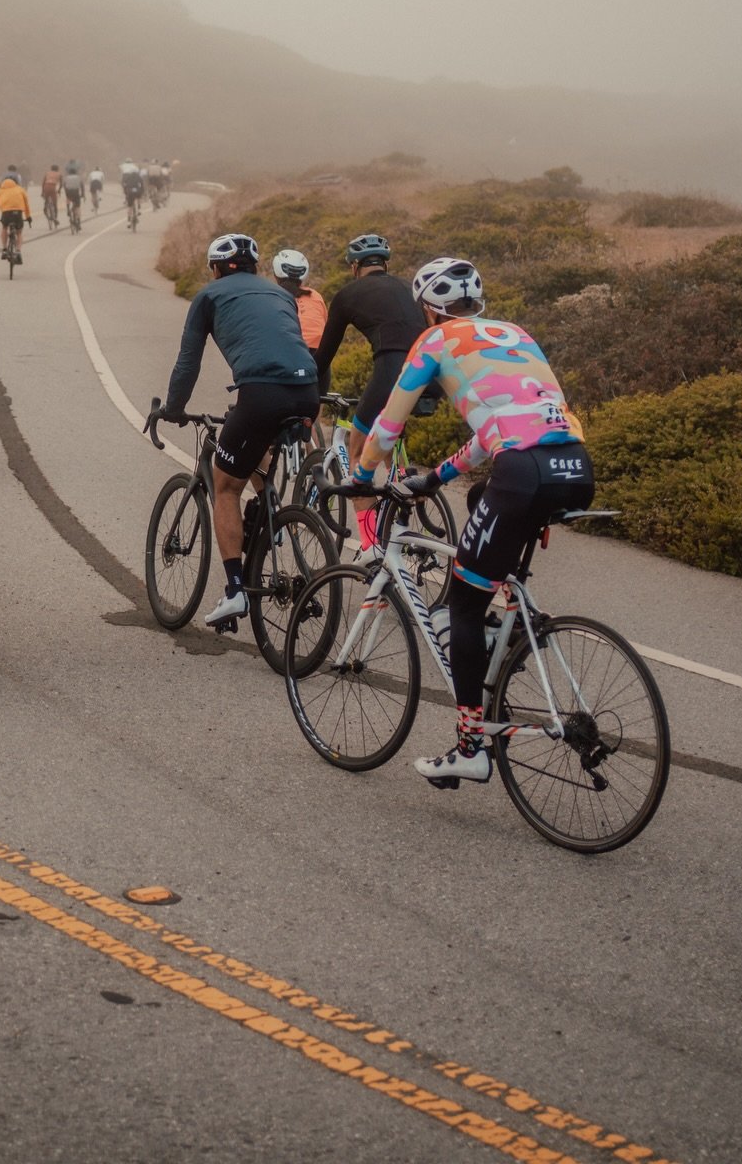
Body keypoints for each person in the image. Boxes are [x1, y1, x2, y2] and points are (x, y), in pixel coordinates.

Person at [348, 256, 591, 787]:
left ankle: (469, 748)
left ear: (428, 309)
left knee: (460, 599)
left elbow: (389, 423)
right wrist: (436, 478)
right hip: (573, 465)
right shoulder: (517, 334)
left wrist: (363, 474)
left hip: (523, 470)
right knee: (485, 495)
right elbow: (497, 430)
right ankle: (510, 614)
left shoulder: (434, 342)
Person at [156, 233, 320, 630]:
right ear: (257, 267)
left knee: (226, 484)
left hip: (262, 393)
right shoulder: (281, 294)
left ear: (214, 268)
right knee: (255, 455)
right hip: (308, 392)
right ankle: (271, 521)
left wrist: (173, 408)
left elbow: (187, 363)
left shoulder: (209, 297)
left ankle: (234, 592)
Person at [313, 233, 425, 546]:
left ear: (354, 267)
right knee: (388, 431)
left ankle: (370, 545)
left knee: (357, 448)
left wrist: (305, 385)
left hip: (391, 371)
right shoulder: (409, 288)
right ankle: (410, 506)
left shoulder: (348, 295)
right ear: (385, 264)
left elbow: (323, 358)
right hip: (430, 373)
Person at [271, 248, 327, 352]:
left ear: (276, 273)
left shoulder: (271, 296)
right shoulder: (315, 295)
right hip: (320, 352)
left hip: (287, 351)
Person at [0, 170, 32, 261]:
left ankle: (5, 250)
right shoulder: (20, 189)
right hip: (18, 213)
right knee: (19, 232)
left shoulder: (0, 191)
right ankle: (18, 251)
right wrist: (28, 217)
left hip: (6, 213)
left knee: (4, 228)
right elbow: (26, 204)